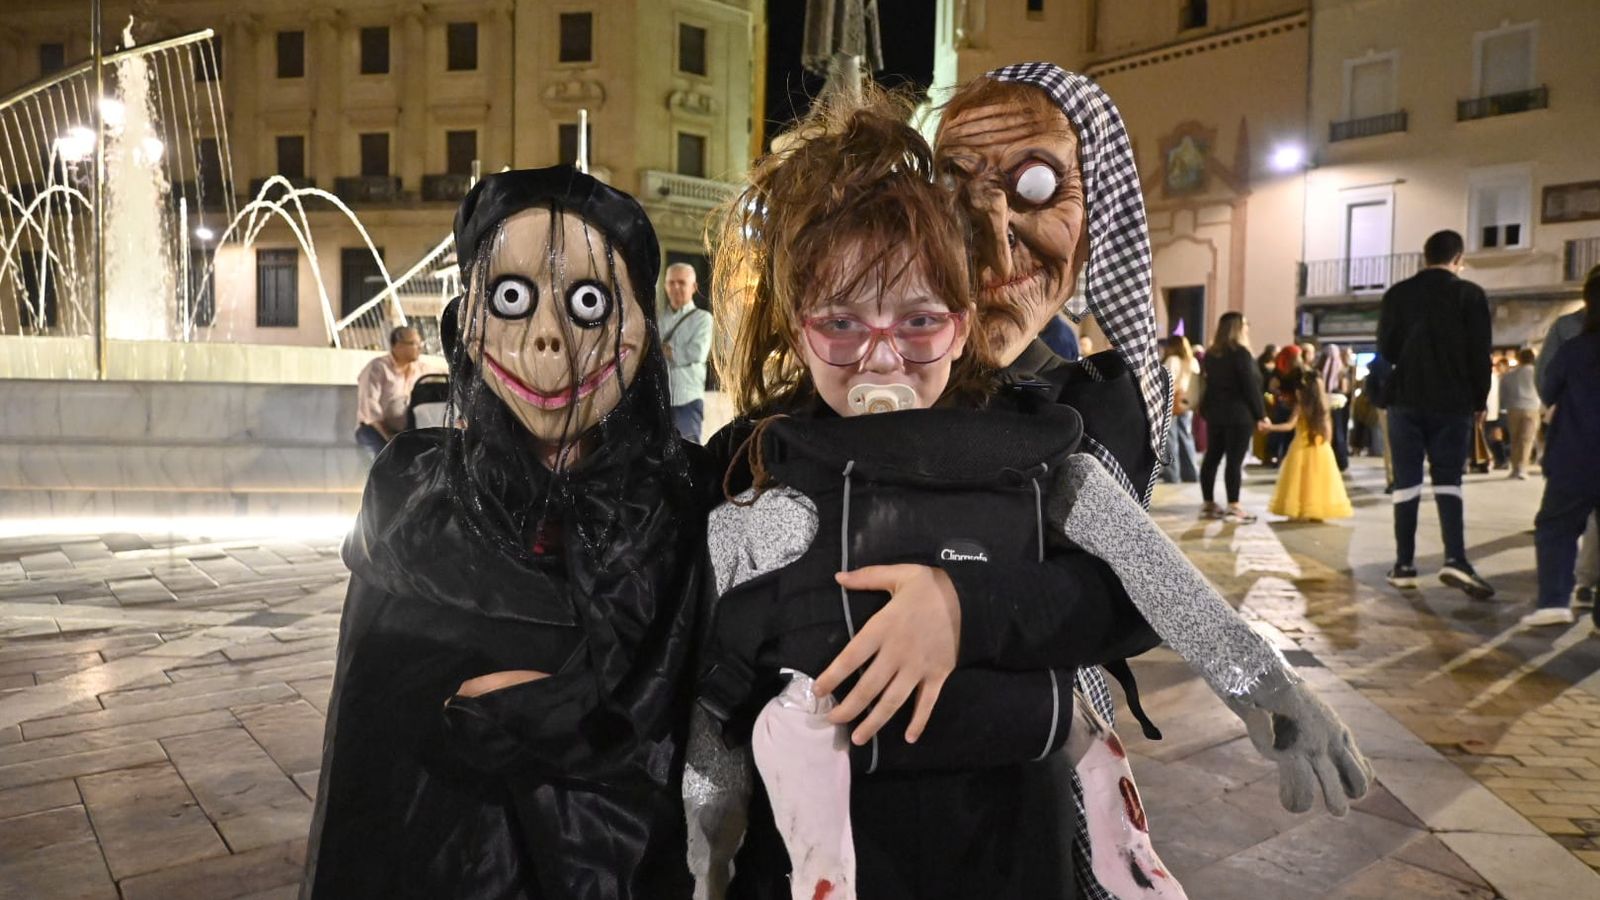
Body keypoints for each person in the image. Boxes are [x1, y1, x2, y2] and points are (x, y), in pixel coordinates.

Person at [303, 168, 711, 898]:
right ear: (466, 321)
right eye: (513, 297)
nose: (549, 336)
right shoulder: (414, 497)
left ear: (644, 330)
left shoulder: (685, 499)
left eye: (589, 302)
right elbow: (374, 747)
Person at [1377, 229, 1494, 598]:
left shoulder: (1397, 294)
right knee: (1448, 481)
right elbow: (1480, 353)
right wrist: (1479, 400)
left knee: (1406, 483)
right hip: (1452, 401)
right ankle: (1455, 558)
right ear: (1457, 258)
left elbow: (1386, 349)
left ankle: (1404, 565)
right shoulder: (1469, 295)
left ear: (1424, 256)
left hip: (1406, 399)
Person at [1524, 271, 1600, 631]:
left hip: (1576, 452)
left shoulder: (1574, 347)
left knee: (1556, 525)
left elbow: (1548, 387)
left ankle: (1554, 600)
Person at [1198, 311, 1268, 523]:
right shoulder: (1241, 354)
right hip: (1239, 415)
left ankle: (1209, 503)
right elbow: (1250, 387)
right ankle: (1234, 505)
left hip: (1216, 414)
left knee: (1212, 458)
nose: (1248, 328)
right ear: (1238, 327)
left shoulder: (1212, 354)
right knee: (1234, 461)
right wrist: (1261, 415)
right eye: (1245, 324)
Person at [1264, 370, 1353, 522]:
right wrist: (1326, 449)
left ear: (1302, 391)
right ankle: (1316, 510)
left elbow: (1289, 426)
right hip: (1320, 448)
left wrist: (1270, 428)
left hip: (1300, 448)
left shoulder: (1301, 406)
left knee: (1298, 483)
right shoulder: (1323, 407)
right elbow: (1328, 433)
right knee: (1318, 482)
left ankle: (1299, 509)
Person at [354, 325, 428, 459]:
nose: (420, 347)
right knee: (385, 459)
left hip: (404, 431)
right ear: (398, 345)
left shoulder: (419, 369)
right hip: (373, 429)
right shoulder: (377, 368)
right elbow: (369, 407)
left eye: (420, 343)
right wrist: (389, 437)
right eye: (414, 343)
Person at [662, 262, 714, 442]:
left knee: (688, 454)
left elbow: (697, 352)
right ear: (665, 286)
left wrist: (666, 352)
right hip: (661, 400)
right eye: (671, 282)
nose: (676, 287)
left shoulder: (703, 319)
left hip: (688, 401)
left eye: (682, 283)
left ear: (694, 287)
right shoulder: (659, 320)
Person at [1161, 334, 1199, 483]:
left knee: (1170, 439)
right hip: (1187, 401)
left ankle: (1173, 474)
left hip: (1172, 400)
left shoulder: (1172, 360)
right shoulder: (1193, 361)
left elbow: (1168, 381)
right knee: (1187, 437)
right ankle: (1191, 473)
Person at [1501, 349, 1540, 479]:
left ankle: (1515, 468)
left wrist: (1505, 406)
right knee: (1527, 439)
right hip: (1532, 408)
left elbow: (1503, 393)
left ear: (1519, 359)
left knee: (1515, 439)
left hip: (1513, 409)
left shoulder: (1509, 375)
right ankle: (1522, 468)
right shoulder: (1538, 373)